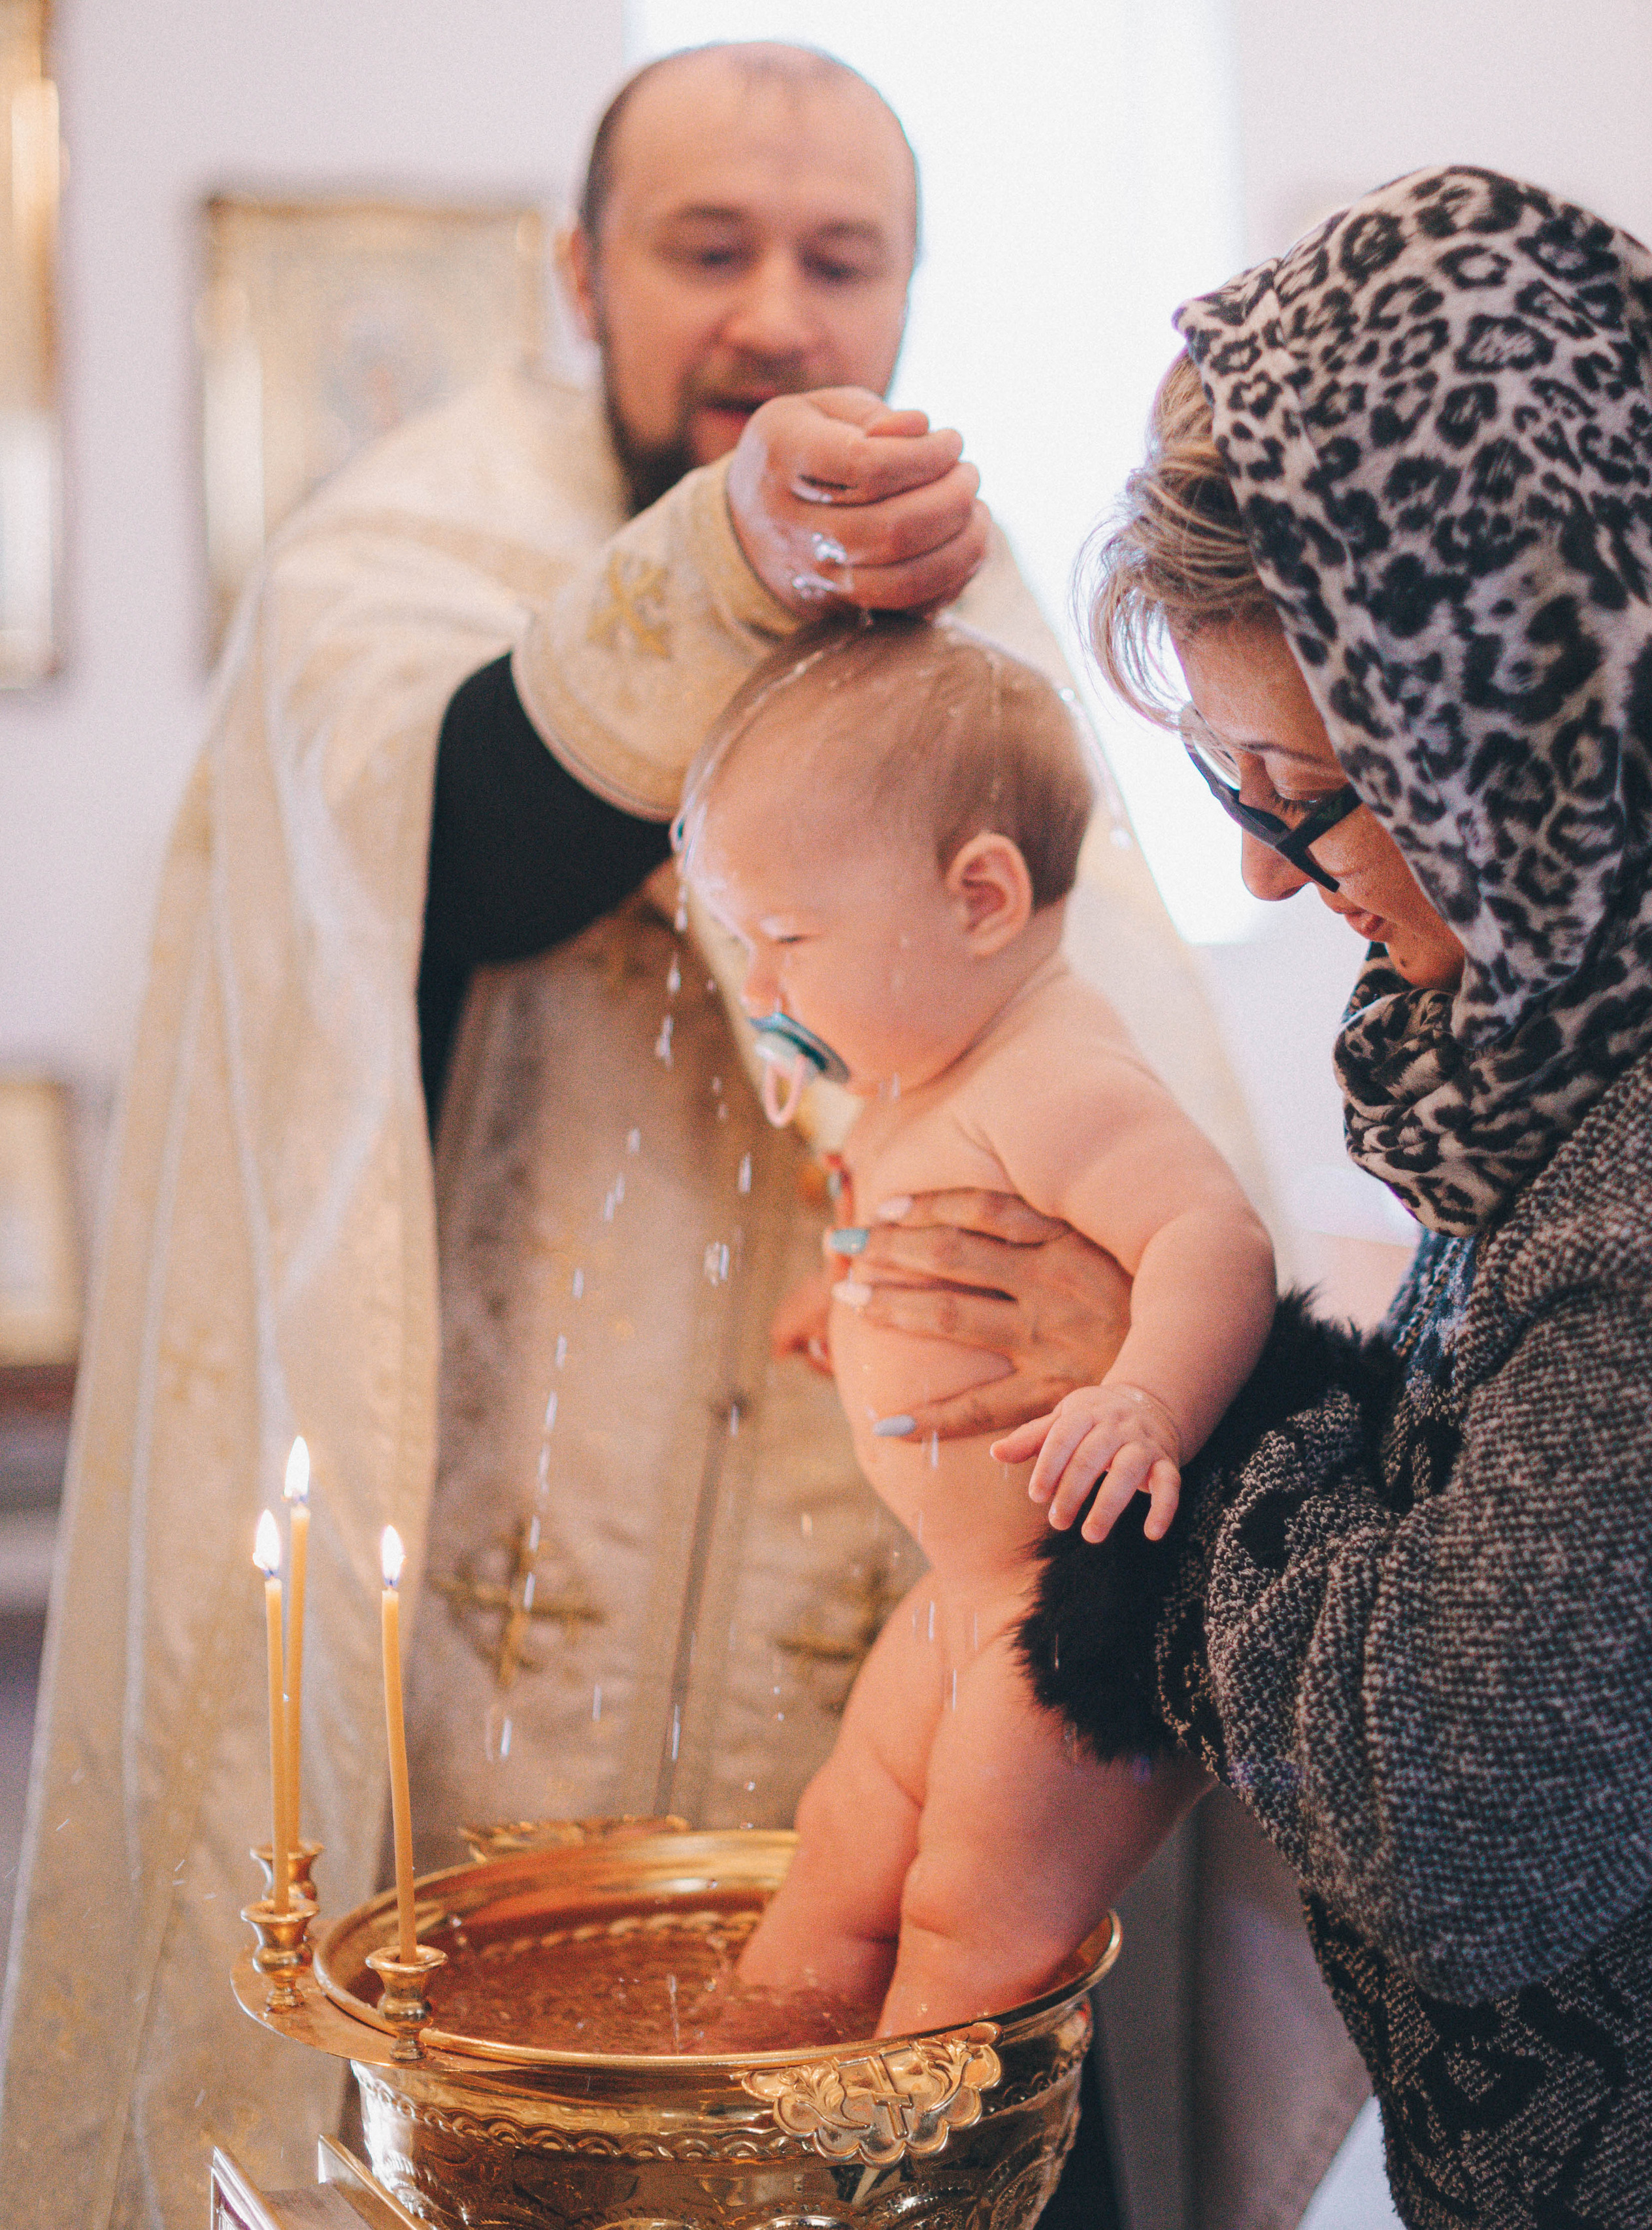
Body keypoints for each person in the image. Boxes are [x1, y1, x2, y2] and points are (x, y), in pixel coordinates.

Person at [0, 40, 1319, 2230]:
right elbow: (440, 861)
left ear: (907, 297)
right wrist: (718, 562)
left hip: (903, 1668)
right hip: (490, 1713)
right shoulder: (398, 554)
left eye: (841, 259)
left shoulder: (975, 630)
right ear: (576, 276)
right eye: (708, 249)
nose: (778, 314)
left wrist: (1112, 1306)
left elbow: (1152, 1144)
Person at [1003, 163, 1652, 2227]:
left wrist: (1184, 1433)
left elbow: (1460, 1814)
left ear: (1523, 713)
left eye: (1309, 795)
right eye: (1234, 792)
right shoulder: (1550, 1023)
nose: (1270, 879)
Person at [676, 612, 1272, 2034]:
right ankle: (758, 2119)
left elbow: (1213, 1240)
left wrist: (1141, 1398)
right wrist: (856, 1294)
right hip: (960, 1588)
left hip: (1069, 1605)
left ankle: (909, 2161)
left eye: (787, 940)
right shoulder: (919, 1072)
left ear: (981, 897)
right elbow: (935, 1236)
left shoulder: (1056, 1071)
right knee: (836, 1849)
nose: (760, 993)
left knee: (967, 1916)